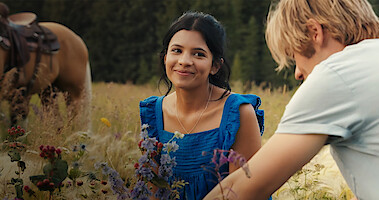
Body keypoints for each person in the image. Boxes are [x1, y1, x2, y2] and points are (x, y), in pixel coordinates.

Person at [204, 0, 379, 199]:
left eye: (294, 55)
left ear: (315, 32)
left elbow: (243, 187)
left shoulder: (337, 74)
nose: (297, 73)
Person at [139, 11, 265, 199]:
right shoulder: (153, 114)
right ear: (165, 57)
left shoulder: (237, 113)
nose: (184, 61)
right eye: (177, 51)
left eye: (198, 54)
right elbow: (151, 191)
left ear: (215, 65)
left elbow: (243, 192)